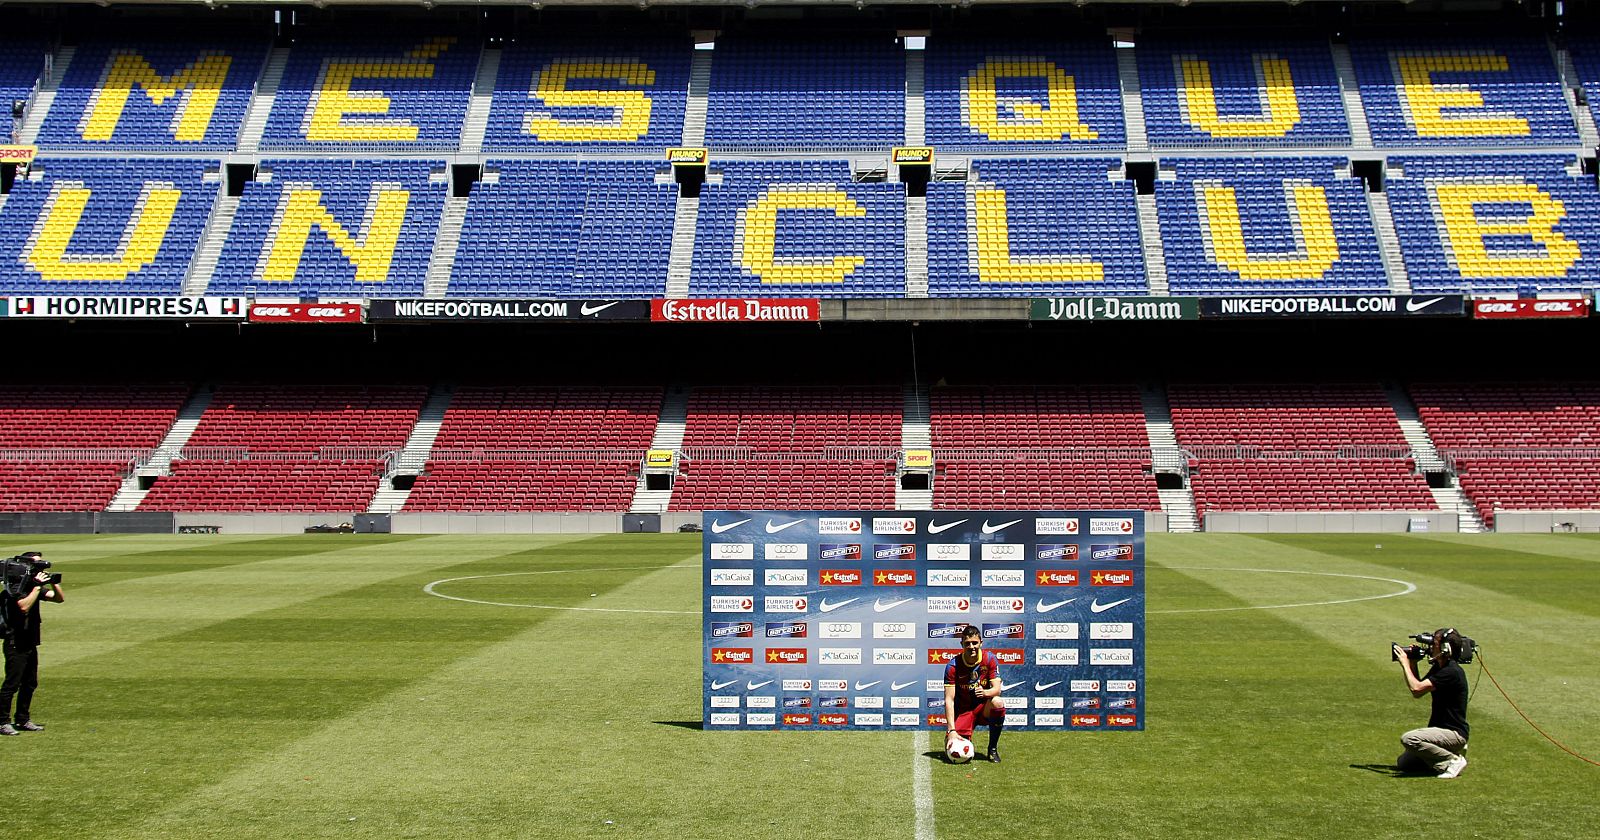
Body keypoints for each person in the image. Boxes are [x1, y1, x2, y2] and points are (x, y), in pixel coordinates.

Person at [1, 551, 65, 736]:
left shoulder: (31, 585)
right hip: (15, 641)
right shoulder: (14, 588)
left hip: (30, 641)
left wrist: (53, 582)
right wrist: (36, 588)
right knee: (11, 684)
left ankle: (22, 719)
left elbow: (59, 599)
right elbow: (23, 606)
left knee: (30, 683)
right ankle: (2, 721)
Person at [1392, 628, 1470, 778]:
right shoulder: (1439, 667)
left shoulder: (1451, 672)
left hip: (1453, 733)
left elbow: (1415, 688)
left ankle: (1452, 760)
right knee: (1405, 763)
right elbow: (1419, 691)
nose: (1430, 647)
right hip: (1440, 731)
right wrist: (1413, 663)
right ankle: (1450, 754)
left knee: (1410, 739)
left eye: (1434, 643)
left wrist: (1405, 663)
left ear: (1444, 648)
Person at [943, 624, 1007, 763]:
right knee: (957, 751)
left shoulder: (989, 659)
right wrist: (951, 730)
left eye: (974, 643)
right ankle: (955, 733)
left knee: (997, 702)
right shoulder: (953, 666)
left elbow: (997, 690)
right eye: (967, 643)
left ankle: (992, 749)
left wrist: (985, 692)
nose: (971, 646)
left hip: (982, 708)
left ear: (981, 643)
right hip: (964, 711)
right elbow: (949, 700)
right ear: (962, 644)